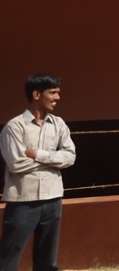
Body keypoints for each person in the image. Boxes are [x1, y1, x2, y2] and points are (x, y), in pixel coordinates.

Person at [0, 73, 76, 271]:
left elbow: (70, 157)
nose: (57, 98)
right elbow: (16, 163)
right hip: (23, 201)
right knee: (8, 257)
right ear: (36, 94)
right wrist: (52, 160)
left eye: (58, 93)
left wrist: (38, 154)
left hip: (53, 199)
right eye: (52, 93)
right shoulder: (14, 127)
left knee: (47, 261)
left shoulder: (58, 124)